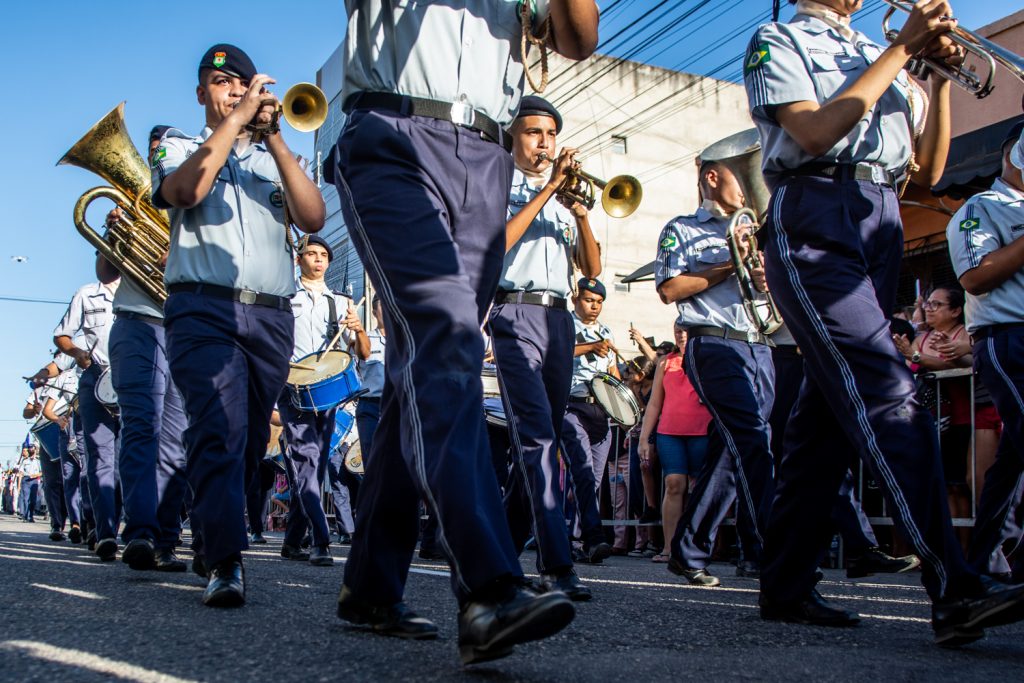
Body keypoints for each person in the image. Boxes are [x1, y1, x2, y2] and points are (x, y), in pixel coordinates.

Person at [327, 0, 599, 664]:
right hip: (392, 133)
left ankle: (370, 583)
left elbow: (580, 37)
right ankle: (489, 586)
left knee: (417, 375)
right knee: (448, 340)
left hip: (485, 158)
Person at [745, 0, 1024, 645]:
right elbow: (812, 134)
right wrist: (901, 51)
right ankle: (956, 587)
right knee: (889, 392)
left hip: (883, 214)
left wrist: (936, 77)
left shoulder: (885, 57)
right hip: (816, 208)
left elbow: (926, 171)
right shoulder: (779, 37)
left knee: (823, 428)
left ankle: (785, 585)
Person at [151, 43, 326, 607]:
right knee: (219, 431)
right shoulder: (177, 143)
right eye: (223, 84)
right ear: (203, 92)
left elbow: (314, 216)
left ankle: (209, 539)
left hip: (272, 314)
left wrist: (274, 136)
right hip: (203, 308)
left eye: (244, 84)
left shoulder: (272, 157)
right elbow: (185, 191)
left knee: (249, 443)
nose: (235, 91)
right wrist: (233, 123)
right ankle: (226, 562)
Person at [490, 96, 602, 601]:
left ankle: (501, 551)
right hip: (514, 312)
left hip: (560, 318)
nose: (544, 143)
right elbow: (496, 245)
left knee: (535, 442)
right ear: (514, 138)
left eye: (550, 134)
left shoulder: (563, 198)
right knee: (538, 439)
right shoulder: (496, 182)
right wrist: (549, 188)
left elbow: (592, 269)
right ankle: (557, 562)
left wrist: (578, 214)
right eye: (534, 133)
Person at [655, 159, 776, 587]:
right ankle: (768, 551)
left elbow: (766, 293)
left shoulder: (754, 229)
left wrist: (762, 274)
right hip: (714, 342)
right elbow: (669, 289)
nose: (749, 189)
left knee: (732, 451)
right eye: (742, 177)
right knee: (753, 442)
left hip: (758, 343)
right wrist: (732, 262)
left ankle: (689, 550)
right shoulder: (683, 228)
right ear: (712, 177)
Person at [948, 122, 1024, 583]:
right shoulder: (982, 207)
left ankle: (986, 566)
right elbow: (975, 276)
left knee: (1014, 458)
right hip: (1008, 336)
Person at [108, 184, 191, 573]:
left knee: (176, 440)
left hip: (182, 326)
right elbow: (105, 270)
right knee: (142, 427)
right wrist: (115, 231)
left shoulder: (199, 207)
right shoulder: (136, 209)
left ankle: (166, 540)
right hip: (137, 323)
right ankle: (141, 531)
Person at [278, 234, 369, 567]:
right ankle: (320, 539)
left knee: (313, 468)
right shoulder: (285, 297)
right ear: (298, 259)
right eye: (311, 253)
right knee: (306, 459)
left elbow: (363, 352)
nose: (318, 259)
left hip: (329, 393)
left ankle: (291, 541)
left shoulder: (341, 302)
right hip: (292, 389)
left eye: (323, 255)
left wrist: (358, 330)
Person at [54, 256, 121, 561]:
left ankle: (136, 530)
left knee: (130, 458)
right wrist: (78, 352)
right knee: (99, 458)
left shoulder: (138, 287)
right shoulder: (86, 293)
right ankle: (105, 531)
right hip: (96, 376)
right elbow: (62, 335)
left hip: (132, 372)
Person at [637, 323, 713, 563]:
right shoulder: (665, 362)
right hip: (669, 432)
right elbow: (655, 404)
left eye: (685, 330)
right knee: (673, 484)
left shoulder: (709, 357)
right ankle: (669, 548)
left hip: (702, 431)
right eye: (677, 329)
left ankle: (697, 549)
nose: (681, 334)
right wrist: (644, 439)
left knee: (701, 488)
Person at [560, 278, 618, 565]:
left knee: (592, 481)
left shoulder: (607, 332)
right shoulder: (564, 324)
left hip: (601, 412)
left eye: (598, 301)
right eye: (588, 300)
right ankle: (593, 538)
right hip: (573, 406)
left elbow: (613, 375)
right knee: (581, 473)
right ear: (575, 299)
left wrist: (624, 406)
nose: (593, 306)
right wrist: (591, 347)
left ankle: (578, 539)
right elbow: (557, 351)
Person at [18, 448, 42, 523]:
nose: (31, 450)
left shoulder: (38, 461)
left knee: (33, 500)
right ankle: (25, 516)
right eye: (30, 449)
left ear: (35, 451)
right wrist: (19, 485)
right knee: (26, 499)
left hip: (34, 481)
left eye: (33, 449)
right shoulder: (25, 461)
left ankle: (31, 515)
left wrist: (35, 475)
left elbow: (42, 472)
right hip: (26, 480)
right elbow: (21, 473)